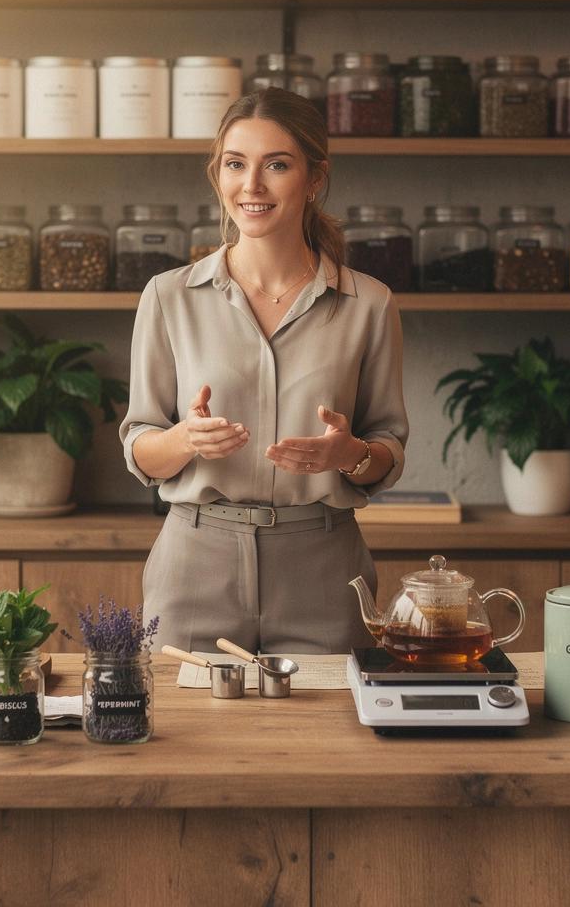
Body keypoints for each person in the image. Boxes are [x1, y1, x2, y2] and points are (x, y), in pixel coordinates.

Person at [118, 87, 408, 654]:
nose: (251, 186)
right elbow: (139, 447)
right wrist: (183, 438)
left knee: (329, 740)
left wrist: (349, 454)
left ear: (314, 178)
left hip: (324, 570)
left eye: (276, 165)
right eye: (235, 164)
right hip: (194, 564)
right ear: (218, 174)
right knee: (186, 740)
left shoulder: (368, 303)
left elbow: (388, 450)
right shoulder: (169, 296)